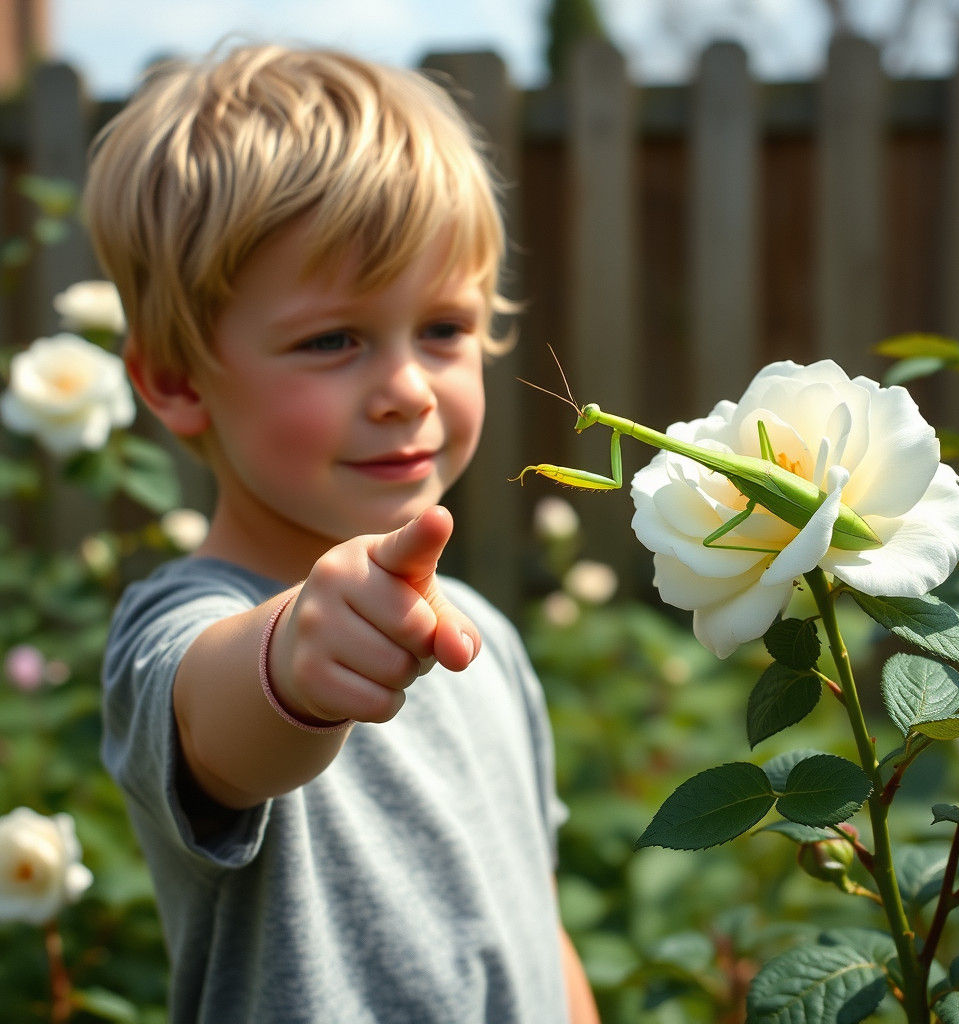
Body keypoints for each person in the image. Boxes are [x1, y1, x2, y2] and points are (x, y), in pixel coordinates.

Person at [84, 43, 599, 1024]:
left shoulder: (486, 637)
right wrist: (291, 664)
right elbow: (224, 723)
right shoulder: (186, 631)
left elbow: (532, 913)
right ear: (177, 381)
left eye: (444, 328)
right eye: (333, 339)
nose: (408, 389)